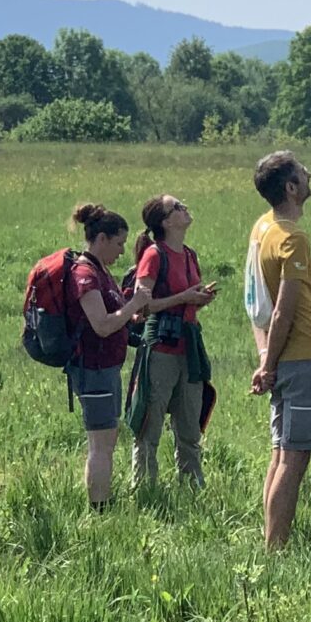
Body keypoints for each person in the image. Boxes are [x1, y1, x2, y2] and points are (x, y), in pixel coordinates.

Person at [246, 149, 311, 548]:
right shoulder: (293, 238)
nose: (310, 173)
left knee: (280, 453)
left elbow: (254, 301)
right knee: (295, 457)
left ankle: (270, 539)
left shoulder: (262, 228)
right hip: (302, 355)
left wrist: (265, 358)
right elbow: (283, 311)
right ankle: (275, 548)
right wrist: (271, 363)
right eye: (302, 172)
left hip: (283, 357)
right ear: (292, 188)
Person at [127, 195, 217, 488]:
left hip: (188, 347)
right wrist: (184, 297)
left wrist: (198, 300)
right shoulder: (154, 255)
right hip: (161, 347)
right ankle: (144, 490)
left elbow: (185, 303)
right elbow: (141, 306)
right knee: (149, 426)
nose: (185, 208)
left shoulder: (189, 254)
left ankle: (193, 488)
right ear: (166, 222)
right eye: (178, 207)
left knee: (190, 427)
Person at [65, 202, 149, 510]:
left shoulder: (101, 271)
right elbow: (101, 326)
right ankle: (99, 508)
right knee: (101, 444)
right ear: (101, 239)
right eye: (118, 243)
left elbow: (110, 317)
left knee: (107, 440)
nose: (121, 250)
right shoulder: (86, 274)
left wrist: (128, 318)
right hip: (94, 368)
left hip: (106, 367)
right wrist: (133, 305)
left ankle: (102, 501)